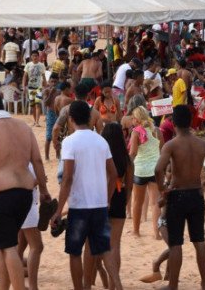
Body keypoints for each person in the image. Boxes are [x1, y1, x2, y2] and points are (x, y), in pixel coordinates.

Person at [0, 91, 50, 290]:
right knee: (7, 245)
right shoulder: (24, 126)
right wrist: (44, 190)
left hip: (1, 192)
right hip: (25, 192)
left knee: (7, 248)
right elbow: (38, 161)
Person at [51, 99, 123, 290]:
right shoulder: (101, 140)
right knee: (102, 248)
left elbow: (67, 179)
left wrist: (58, 210)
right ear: (90, 118)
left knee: (75, 251)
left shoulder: (69, 142)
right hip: (99, 206)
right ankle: (117, 285)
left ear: (71, 119)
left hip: (79, 206)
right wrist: (107, 199)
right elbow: (114, 173)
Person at [154, 104, 205, 290]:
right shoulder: (202, 144)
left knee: (176, 242)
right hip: (195, 194)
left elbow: (158, 169)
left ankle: (173, 285)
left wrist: (162, 189)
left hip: (177, 195)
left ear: (173, 123)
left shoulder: (171, 145)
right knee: (199, 240)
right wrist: (204, 184)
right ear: (191, 122)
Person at [102, 122, 132, 286]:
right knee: (115, 244)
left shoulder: (102, 156)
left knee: (99, 244)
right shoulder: (126, 159)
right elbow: (130, 187)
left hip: (102, 198)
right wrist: (124, 201)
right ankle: (113, 283)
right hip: (119, 197)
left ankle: (104, 279)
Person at [129, 106, 162, 239]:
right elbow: (162, 147)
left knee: (138, 201)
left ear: (137, 119)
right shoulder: (157, 130)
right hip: (155, 169)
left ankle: (136, 231)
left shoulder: (136, 132)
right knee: (155, 203)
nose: (131, 120)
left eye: (132, 118)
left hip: (140, 169)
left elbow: (133, 152)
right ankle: (156, 233)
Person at [22, 50, 46, 127]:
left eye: (36, 56)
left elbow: (43, 76)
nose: (35, 57)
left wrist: (45, 85)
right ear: (31, 57)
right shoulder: (28, 65)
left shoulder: (41, 65)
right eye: (33, 56)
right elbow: (25, 76)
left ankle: (37, 121)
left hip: (39, 87)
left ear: (38, 56)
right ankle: (35, 120)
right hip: (30, 87)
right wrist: (23, 86)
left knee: (38, 104)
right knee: (32, 105)